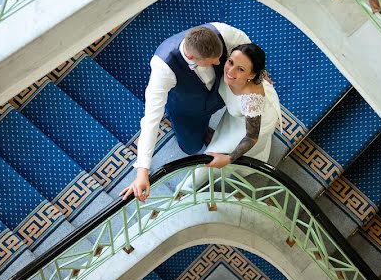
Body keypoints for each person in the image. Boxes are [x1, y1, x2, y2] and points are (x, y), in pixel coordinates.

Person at [120, 23, 249, 202]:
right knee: (191, 147)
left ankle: (208, 129)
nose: (219, 63)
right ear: (190, 56)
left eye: (220, 57)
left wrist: (258, 72)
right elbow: (150, 119)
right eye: (212, 61)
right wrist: (143, 172)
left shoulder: (223, 32)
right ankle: (201, 131)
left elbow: (247, 47)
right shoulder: (163, 68)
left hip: (218, 94)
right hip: (187, 109)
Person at [178, 43, 282, 194]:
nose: (230, 71)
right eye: (231, 62)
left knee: (216, 155)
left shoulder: (251, 101)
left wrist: (228, 158)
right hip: (237, 115)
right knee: (224, 131)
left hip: (255, 124)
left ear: (252, 75)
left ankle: (183, 191)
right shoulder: (227, 62)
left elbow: (252, 137)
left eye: (241, 69)